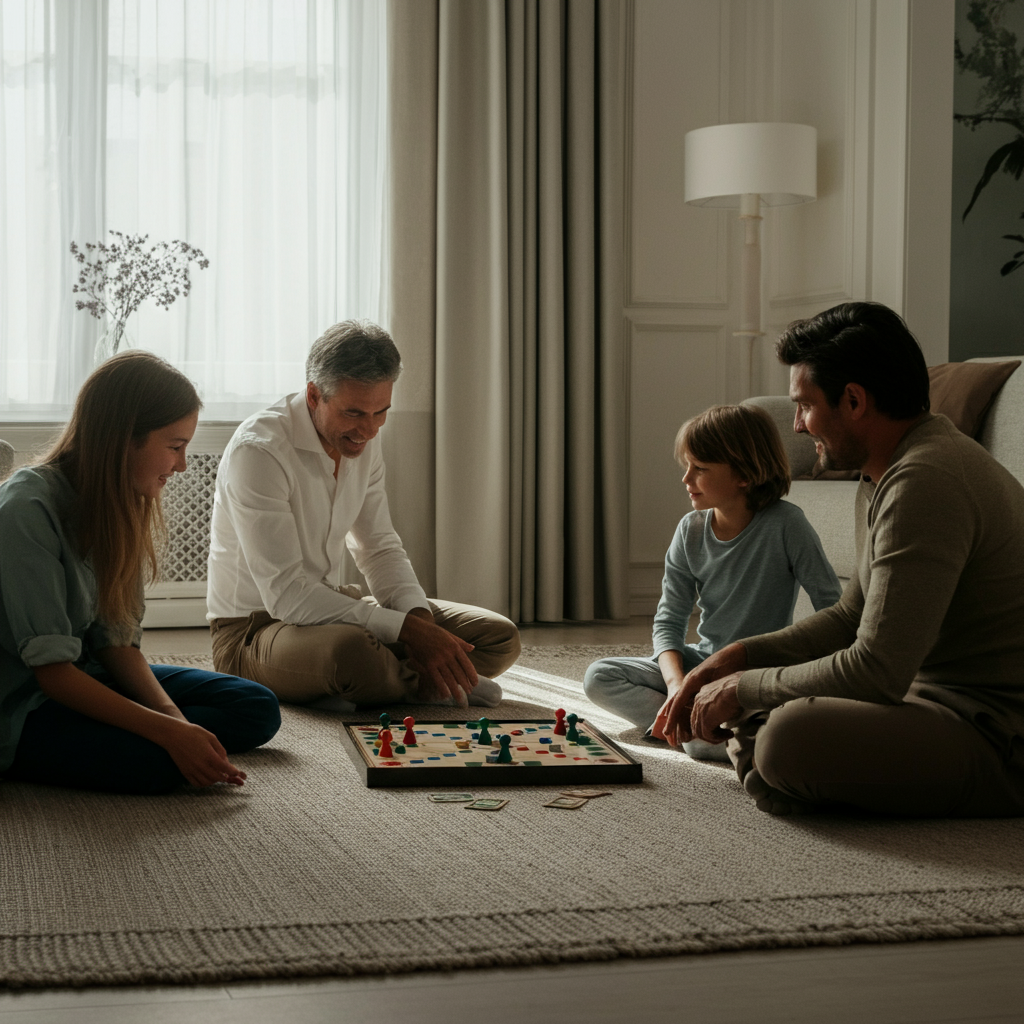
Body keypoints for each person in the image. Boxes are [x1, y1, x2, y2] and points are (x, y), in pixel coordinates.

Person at [667, 301, 1024, 817]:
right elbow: (850, 616)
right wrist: (738, 658)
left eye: (805, 406)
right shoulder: (886, 470)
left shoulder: (927, 480)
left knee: (788, 735)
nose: (797, 424)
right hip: (931, 699)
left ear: (854, 400)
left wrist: (745, 689)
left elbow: (876, 671)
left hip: (997, 731)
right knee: (766, 714)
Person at [0, 351, 281, 795]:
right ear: (123, 439)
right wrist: (168, 735)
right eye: (175, 447)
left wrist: (172, 720)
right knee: (158, 764)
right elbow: (53, 673)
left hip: (90, 675)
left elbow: (116, 643)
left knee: (256, 706)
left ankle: (129, 733)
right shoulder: (24, 511)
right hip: (26, 700)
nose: (183, 465)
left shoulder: (121, 501)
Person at [206, 319, 521, 710]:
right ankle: (415, 684)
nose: (368, 431)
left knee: (498, 637)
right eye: (354, 413)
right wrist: (406, 632)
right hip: (255, 632)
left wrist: (419, 623)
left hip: (326, 609)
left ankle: (358, 685)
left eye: (380, 413)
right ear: (313, 395)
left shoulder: (361, 440)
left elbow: (379, 548)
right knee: (351, 652)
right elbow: (287, 598)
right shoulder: (259, 452)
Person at [584, 404, 842, 759]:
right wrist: (677, 687)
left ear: (745, 475)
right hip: (701, 664)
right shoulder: (689, 531)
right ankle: (692, 721)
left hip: (757, 673)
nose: (686, 479)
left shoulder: (787, 525)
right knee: (599, 676)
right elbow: (669, 621)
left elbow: (831, 605)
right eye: (687, 466)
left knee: (705, 745)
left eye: (700, 469)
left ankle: (700, 729)